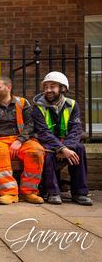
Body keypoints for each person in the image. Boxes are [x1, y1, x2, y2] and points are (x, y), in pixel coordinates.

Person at [0, 76, 45, 205]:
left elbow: (31, 124)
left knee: (36, 151)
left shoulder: (22, 103)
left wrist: (20, 140)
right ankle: (9, 193)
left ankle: (29, 192)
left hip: (21, 140)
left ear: (9, 88)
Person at [32, 71, 92, 206]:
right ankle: (52, 192)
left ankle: (79, 192)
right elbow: (43, 132)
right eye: (46, 87)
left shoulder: (72, 105)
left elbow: (76, 129)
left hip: (66, 142)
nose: (48, 90)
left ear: (63, 88)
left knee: (80, 148)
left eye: (52, 86)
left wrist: (67, 147)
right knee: (47, 153)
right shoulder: (38, 107)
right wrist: (61, 148)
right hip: (46, 142)